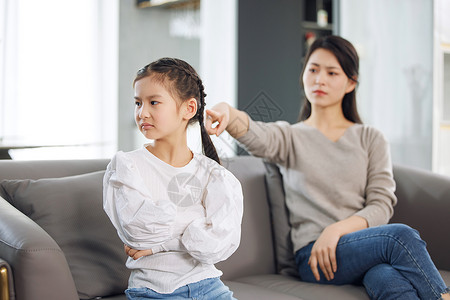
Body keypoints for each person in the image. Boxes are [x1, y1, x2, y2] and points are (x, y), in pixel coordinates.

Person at [205, 35, 450, 300]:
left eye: (332, 72)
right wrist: (227, 112)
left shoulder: (370, 137)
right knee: (400, 237)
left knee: (387, 280)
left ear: (350, 83)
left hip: (364, 250)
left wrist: (336, 229)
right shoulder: (290, 137)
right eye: (313, 70)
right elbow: (252, 131)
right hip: (315, 256)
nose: (319, 80)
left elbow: (382, 206)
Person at [103, 58, 243, 300]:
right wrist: (195, 222)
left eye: (153, 102)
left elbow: (217, 244)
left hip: (210, 286)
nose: (142, 113)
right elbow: (139, 233)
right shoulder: (127, 166)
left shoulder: (213, 174)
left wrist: (160, 245)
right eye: (138, 103)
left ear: (188, 108)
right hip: (153, 291)